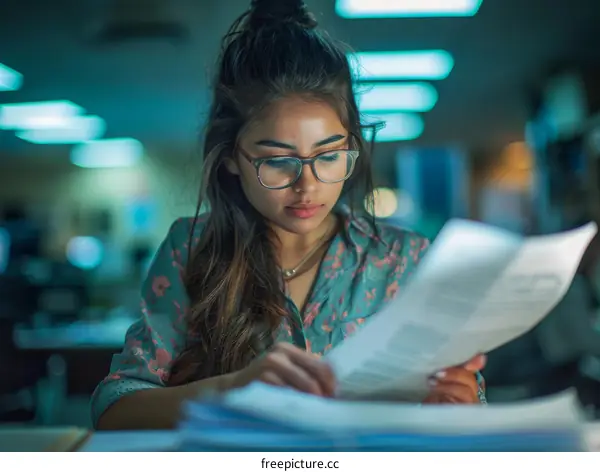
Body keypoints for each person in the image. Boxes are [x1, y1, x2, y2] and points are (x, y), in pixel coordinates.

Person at [92, 0, 487, 431]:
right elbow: (116, 407)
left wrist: (457, 408)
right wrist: (233, 391)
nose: (308, 186)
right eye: (278, 161)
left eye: (330, 155)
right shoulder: (192, 249)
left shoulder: (403, 259)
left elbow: (464, 411)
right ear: (230, 158)